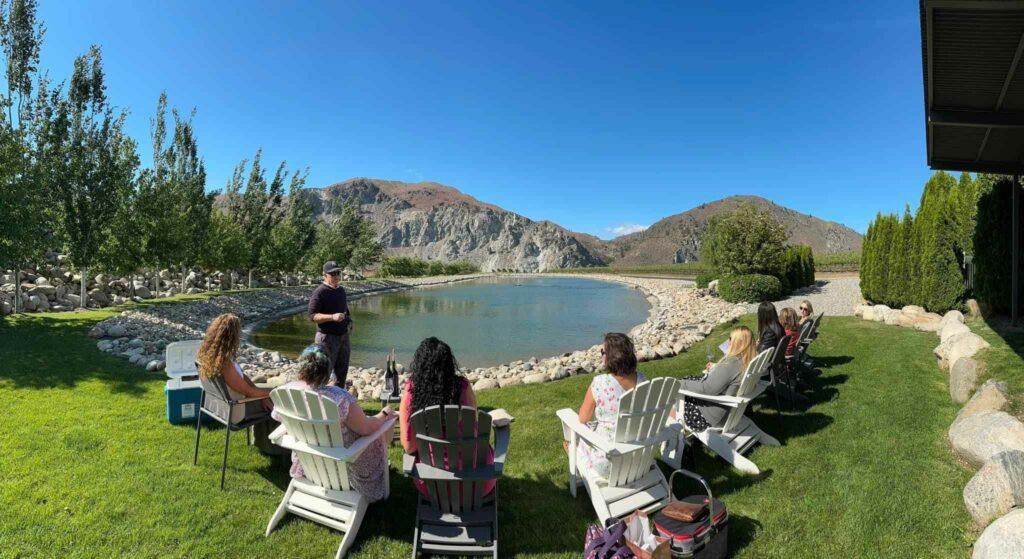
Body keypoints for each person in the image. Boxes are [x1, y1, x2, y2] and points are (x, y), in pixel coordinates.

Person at [274, 345, 395, 502]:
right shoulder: (339, 398)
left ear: (302, 367)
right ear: (327, 370)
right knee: (382, 426)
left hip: (311, 465)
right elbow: (367, 428)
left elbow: (279, 416)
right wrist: (384, 413)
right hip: (344, 464)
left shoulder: (288, 393)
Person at [399, 337, 494, 497]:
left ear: (420, 365)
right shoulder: (463, 387)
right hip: (478, 484)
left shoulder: (412, 391)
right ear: (450, 363)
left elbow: (409, 447)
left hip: (431, 486)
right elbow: (474, 423)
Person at [565, 332, 646, 479]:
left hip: (609, 463)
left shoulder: (600, 383)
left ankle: (572, 450)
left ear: (611, 356)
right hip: (640, 459)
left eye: (603, 352)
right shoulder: (642, 380)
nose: (601, 354)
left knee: (575, 436)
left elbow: (583, 419)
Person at [196, 313, 273, 422]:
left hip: (219, 406)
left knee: (269, 396)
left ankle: (262, 438)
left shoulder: (207, 357)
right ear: (232, 336)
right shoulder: (225, 364)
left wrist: (263, 396)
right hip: (236, 410)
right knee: (282, 400)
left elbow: (243, 379)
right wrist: (275, 392)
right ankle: (270, 438)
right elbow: (249, 392)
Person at [678, 326, 756, 432]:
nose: (728, 341)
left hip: (708, 415)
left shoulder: (731, 363)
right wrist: (716, 368)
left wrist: (677, 383)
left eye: (730, 338)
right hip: (727, 409)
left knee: (670, 396)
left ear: (737, 343)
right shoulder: (746, 361)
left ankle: (675, 437)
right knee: (690, 379)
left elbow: (706, 389)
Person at [308, 260, 353, 387]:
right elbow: (312, 316)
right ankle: (318, 400)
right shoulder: (320, 292)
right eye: (332, 274)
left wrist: (349, 321)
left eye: (338, 273)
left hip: (343, 337)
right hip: (326, 338)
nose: (336, 276)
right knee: (322, 372)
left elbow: (345, 310)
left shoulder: (341, 291)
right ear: (324, 275)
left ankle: (339, 402)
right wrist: (332, 317)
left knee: (342, 371)